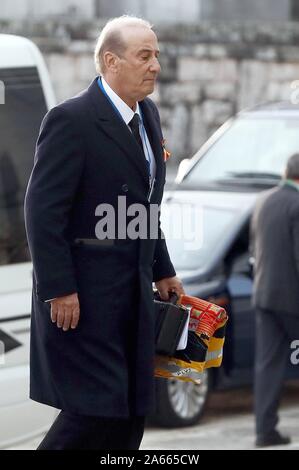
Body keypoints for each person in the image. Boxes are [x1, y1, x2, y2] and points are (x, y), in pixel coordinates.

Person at [24, 16, 184, 450]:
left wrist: (162, 269)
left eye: (156, 55)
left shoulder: (147, 115)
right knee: (90, 414)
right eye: (144, 56)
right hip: (84, 300)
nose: (155, 65)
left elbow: (143, 206)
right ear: (111, 61)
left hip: (133, 296)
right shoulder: (70, 120)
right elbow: (42, 212)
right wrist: (59, 288)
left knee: (131, 415)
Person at [250, 153, 299, 448]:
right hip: (292, 299)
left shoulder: (263, 201)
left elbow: (255, 248)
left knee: (268, 364)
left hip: (264, 294)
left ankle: (264, 431)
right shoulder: (297, 205)